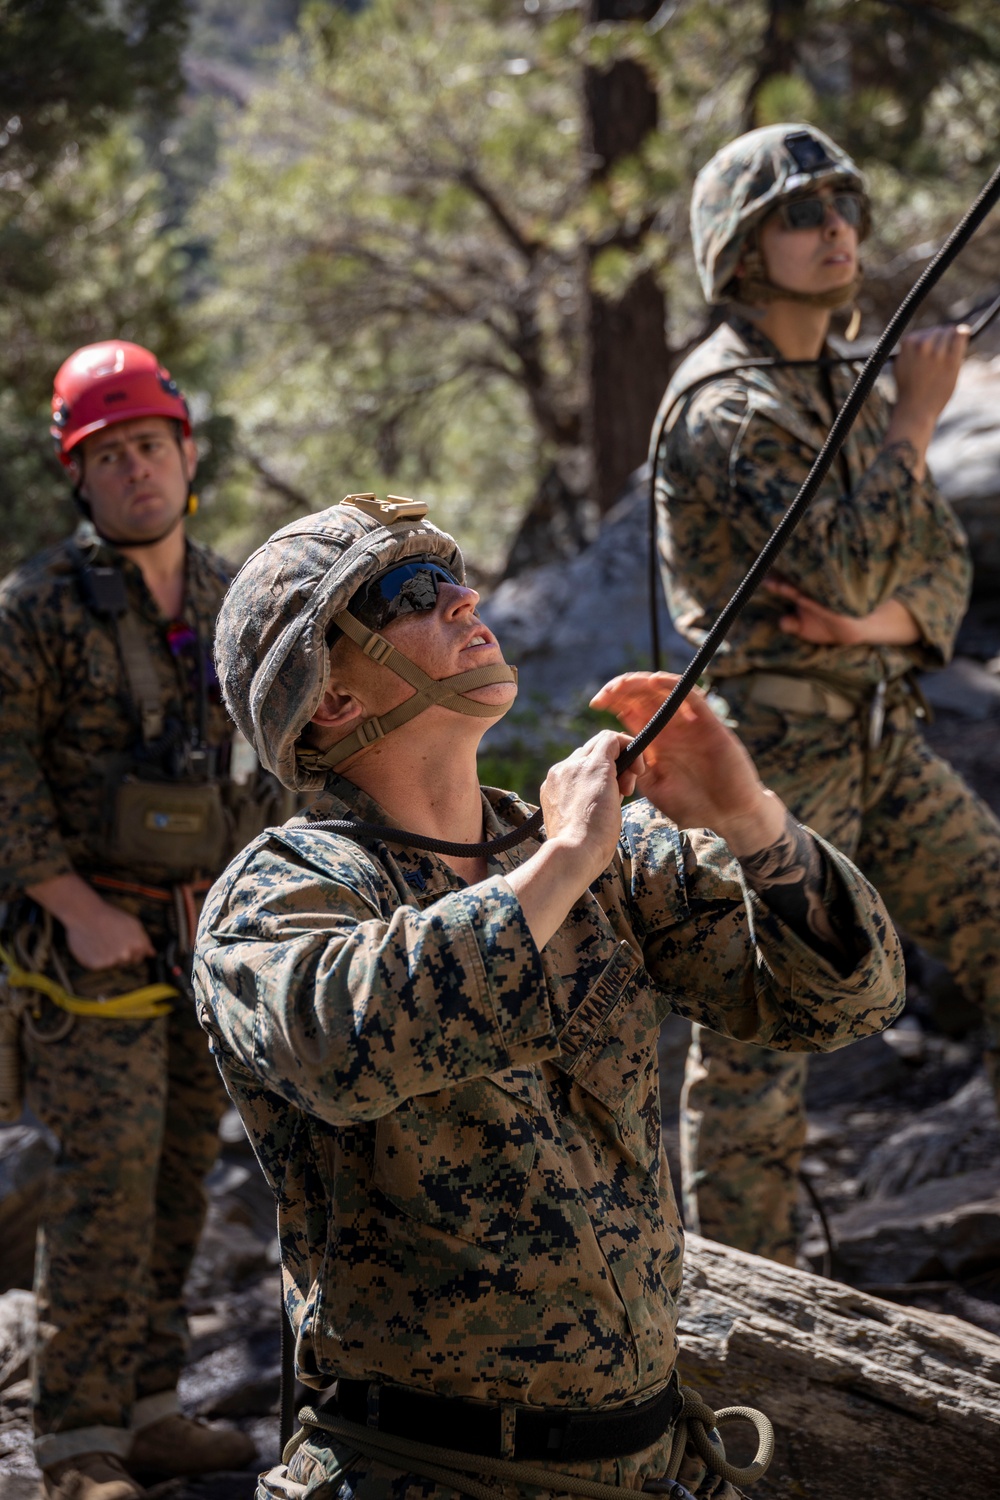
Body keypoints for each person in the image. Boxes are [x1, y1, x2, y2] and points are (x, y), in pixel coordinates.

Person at [193, 491, 904, 1500]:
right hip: (424, 1472)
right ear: (331, 697)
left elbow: (840, 1001)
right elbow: (342, 1038)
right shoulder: (281, 891)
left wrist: (750, 821)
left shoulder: (592, 854)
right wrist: (564, 858)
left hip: (642, 1462)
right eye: (410, 592)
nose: (463, 597)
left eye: (452, 576)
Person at [652, 122, 1000, 1266]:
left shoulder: (836, 377)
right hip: (766, 764)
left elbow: (938, 565)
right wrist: (912, 423)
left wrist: (876, 623)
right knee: (760, 1039)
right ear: (740, 252)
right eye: (800, 212)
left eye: (842, 201)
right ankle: (748, 1321)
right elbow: (847, 559)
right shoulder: (724, 409)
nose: (835, 226)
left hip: (874, 735)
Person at [0, 341, 284, 1499]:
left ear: (187, 452)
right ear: (80, 475)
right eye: (107, 456)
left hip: (200, 940)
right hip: (91, 947)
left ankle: (154, 1407)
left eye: (150, 447)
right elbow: (2, 769)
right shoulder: (36, 609)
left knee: (179, 1180)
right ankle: (77, 1443)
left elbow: (267, 762)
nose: (134, 473)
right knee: (100, 1187)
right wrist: (67, 903)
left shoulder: (229, 598)